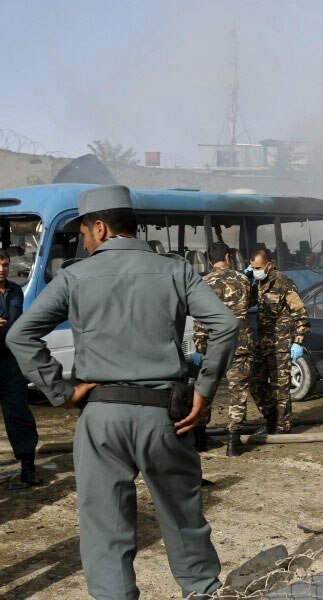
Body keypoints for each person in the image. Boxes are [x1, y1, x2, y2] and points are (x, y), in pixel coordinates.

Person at [7, 185, 239, 600]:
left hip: (102, 418)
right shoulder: (175, 270)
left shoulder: (74, 277)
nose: (84, 240)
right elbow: (225, 325)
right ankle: (202, 591)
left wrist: (61, 391)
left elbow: (21, 335)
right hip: (166, 416)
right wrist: (205, 390)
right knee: (183, 515)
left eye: (84, 232)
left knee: (106, 526)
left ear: (99, 226)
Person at [194, 242, 252, 457]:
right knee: (238, 393)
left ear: (209, 259)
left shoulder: (202, 283)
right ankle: (233, 443)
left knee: (206, 390)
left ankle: (199, 438)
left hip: (213, 345)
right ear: (228, 257)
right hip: (240, 343)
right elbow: (247, 305)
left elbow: (200, 319)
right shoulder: (243, 279)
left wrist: (201, 347)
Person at [248, 248, 310, 434]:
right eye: (252, 268)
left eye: (258, 267)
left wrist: (298, 341)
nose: (255, 270)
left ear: (269, 265)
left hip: (281, 344)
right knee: (255, 383)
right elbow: (246, 302)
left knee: (280, 388)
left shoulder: (284, 283)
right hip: (263, 343)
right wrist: (246, 280)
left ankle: (283, 427)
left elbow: (300, 314)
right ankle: (270, 418)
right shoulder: (258, 283)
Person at [0, 250, 42, 489]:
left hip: (11, 365)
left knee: (20, 416)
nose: (2, 269)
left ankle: (28, 467)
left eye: (5, 264)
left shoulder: (16, 291)